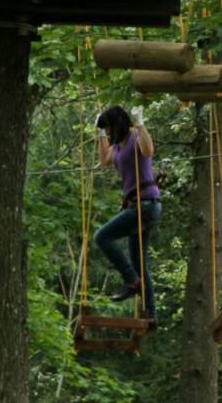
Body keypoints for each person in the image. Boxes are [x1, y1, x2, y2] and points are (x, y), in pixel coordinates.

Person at [94, 104, 161, 322]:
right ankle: (151, 314)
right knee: (141, 264)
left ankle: (132, 280)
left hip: (146, 205)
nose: (108, 134)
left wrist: (140, 123)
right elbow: (104, 161)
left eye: (108, 130)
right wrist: (98, 133)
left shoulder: (134, 137)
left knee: (102, 236)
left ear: (118, 125)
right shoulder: (118, 147)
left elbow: (148, 150)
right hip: (136, 207)